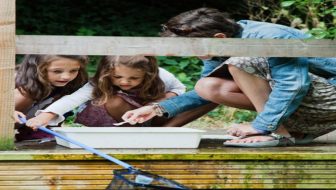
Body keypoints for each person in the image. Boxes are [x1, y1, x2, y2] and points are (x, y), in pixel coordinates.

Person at [121, 7, 336, 147]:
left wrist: (261, 125)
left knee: (242, 61)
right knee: (208, 86)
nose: (193, 55)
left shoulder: (270, 37)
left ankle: (276, 133)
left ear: (220, 37)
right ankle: (292, 130)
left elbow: (293, 86)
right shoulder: (220, 45)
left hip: (330, 100)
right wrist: (157, 108)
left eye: (193, 48)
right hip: (309, 107)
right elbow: (205, 94)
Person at [25, 55, 187, 128]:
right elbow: (73, 99)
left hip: (153, 113)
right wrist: (47, 115)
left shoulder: (161, 75)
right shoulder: (100, 81)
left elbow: (180, 89)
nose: (124, 82)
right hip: (121, 120)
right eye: (117, 76)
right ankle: (131, 135)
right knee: (113, 100)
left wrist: (156, 105)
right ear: (107, 73)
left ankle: (166, 131)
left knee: (196, 97)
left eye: (134, 78)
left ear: (148, 74)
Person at [14, 54, 88, 141]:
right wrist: (6, 113)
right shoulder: (20, 88)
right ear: (37, 68)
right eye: (57, 71)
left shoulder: (69, 85)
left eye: (73, 70)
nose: (66, 76)